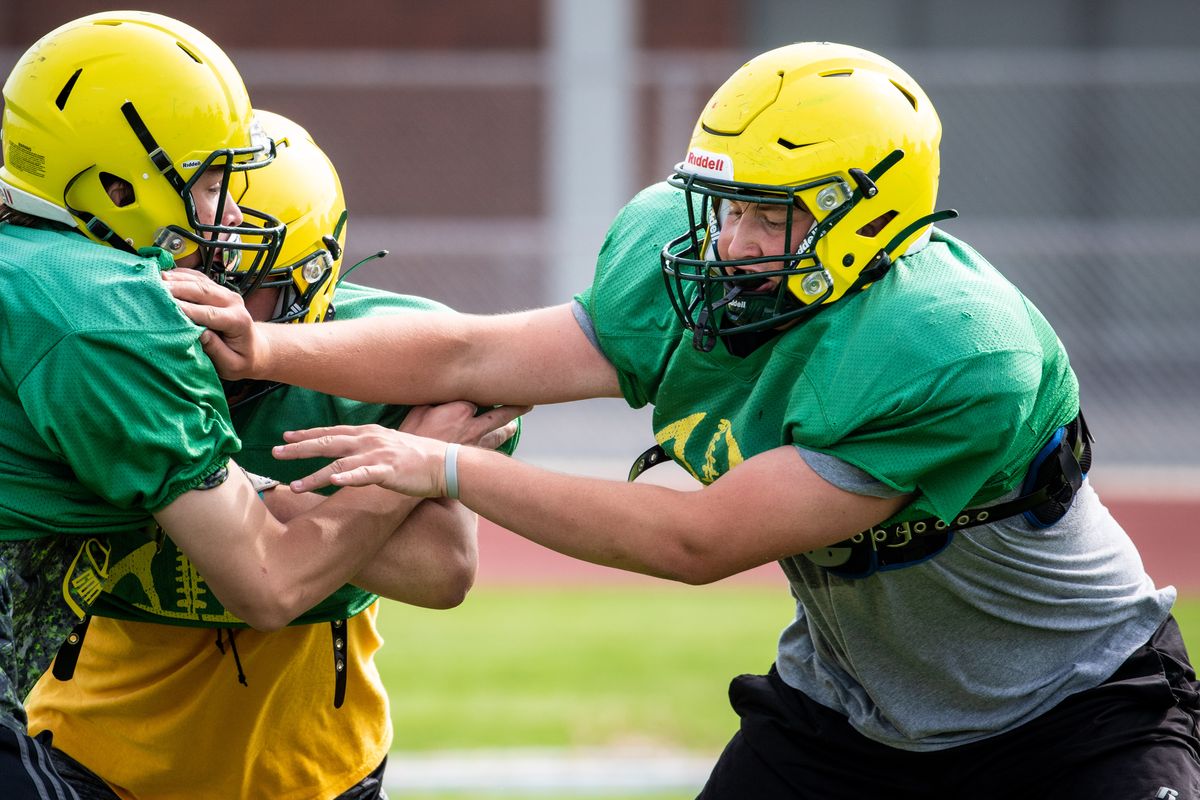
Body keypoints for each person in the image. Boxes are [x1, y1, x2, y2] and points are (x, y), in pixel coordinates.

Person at [168, 42, 1200, 799]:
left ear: (871, 212)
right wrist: (264, 347)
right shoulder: (701, 261)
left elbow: (695, 538)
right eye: (729, 204)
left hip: (1078, 712)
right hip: (847, 711)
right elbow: (472, 350)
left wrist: (441, 467)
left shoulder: (953, 348)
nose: (734, 239)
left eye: (773, 213)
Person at [0, 12, 520, 797]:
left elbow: (443, 571)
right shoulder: (103, 325)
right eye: (199, 248)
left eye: (244, 280)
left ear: (318, 281)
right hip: (94, 750)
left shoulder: (379, 357)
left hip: (311, 766)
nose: (212, 298)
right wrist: (395, 467)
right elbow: (270, 577)